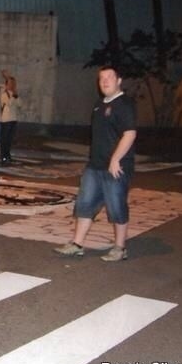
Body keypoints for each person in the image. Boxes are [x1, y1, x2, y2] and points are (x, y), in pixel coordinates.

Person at [54, 66, 137, 262]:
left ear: (119, 81)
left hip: (116, 166)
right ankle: (77, 244)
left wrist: (116, 159)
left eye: (109, 77)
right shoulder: (99, 105)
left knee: (116, 207)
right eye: (101, 78)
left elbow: (130, 133)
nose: (105, 81)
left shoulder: (124, 104)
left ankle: (120, 248)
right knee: (84, 204)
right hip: (95, 165)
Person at [0, 70, 20, 165]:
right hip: (6, 120)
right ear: (7, 85)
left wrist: (15, 95)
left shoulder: (14, 94)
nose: (12, 85)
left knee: (10, 139)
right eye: (11, 83)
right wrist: (14, 96)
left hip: (13, 119)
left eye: (14, 84)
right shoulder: (4, 94)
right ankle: (3, 156)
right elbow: (9, 103)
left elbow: (20, 104)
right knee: (4, 139)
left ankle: (8, 155)